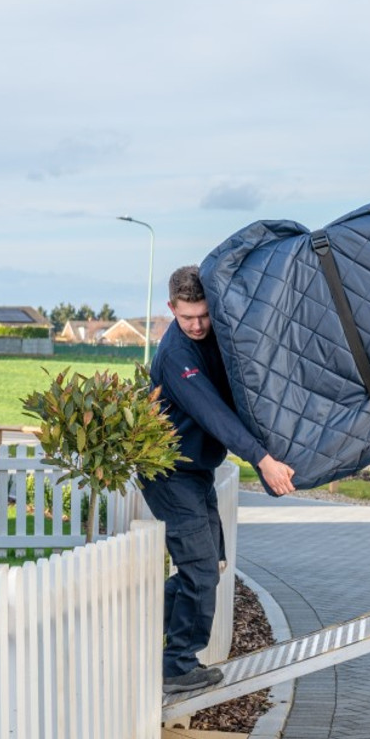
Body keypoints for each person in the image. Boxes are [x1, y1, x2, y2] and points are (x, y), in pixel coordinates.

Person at [142, 265, 297, 693]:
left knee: (210, 566)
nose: (196, 325)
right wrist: (261, 459)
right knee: (200, 571)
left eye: (203, 315)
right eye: (187, 316)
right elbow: (213, 413)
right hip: (169, 475)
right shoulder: (176, 356)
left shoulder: (216, 335)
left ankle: (143, 628)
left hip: (197, 472)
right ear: (171, 308)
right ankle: (176, 667)